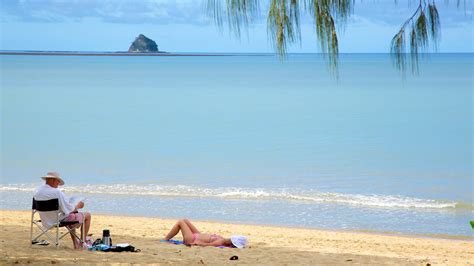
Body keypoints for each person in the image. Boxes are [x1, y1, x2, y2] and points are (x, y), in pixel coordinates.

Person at [33, 172, 92, 249]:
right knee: (86, 215)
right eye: (58, 181)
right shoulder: (57, 192)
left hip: (45, 220)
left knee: (70, 216)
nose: (58, 184)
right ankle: (82, 242)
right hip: (57, 220)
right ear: (53, 180)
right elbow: (69, 209)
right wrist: (78, 206)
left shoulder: (37, 191)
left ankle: (75, 243)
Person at [163, 218, 247, 248]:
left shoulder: (220, 242)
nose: (229, 240)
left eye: (231, 241)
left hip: (192, 239)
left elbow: (208, 245)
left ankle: (166, 239)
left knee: (181, 222)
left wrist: (196, 243)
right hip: (197, 235)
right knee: (185, 220)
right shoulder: (223, 240)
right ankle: (166, 238)